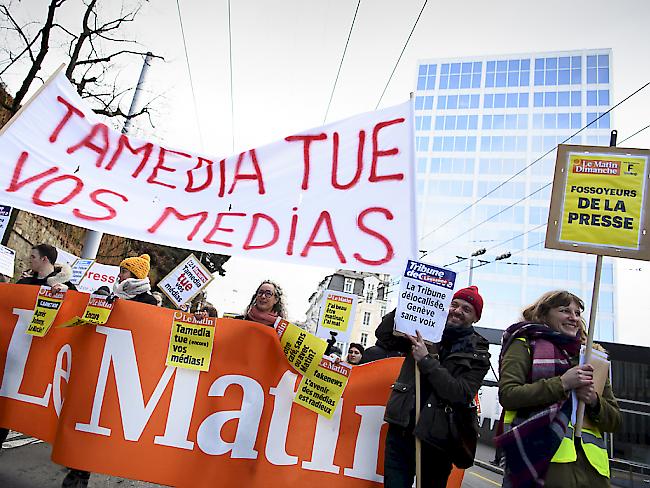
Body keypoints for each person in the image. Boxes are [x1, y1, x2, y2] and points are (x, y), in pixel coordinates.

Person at [496, 290, 621, 488]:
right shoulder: (524, 342)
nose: (573, 317)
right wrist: (562, 383)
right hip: (541, 462)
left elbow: (615, 421)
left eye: (577, 313)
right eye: (565, 310)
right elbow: (509, 394)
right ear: (543, 314)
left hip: (592, 471)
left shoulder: (592, 356)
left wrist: (594, 402)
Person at [379, 286, 490, 487]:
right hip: (403, 429)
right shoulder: (423, 330)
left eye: (466, 309)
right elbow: (384, 336)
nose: (457, 311)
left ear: (476, 318)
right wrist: (408, 308)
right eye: (454, 305)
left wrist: (426, 360)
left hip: (438, 440)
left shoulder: (478, 353)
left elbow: (460, 393)